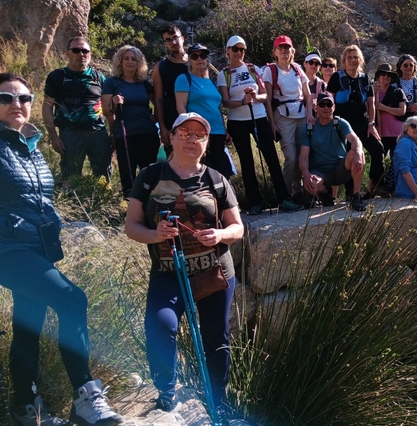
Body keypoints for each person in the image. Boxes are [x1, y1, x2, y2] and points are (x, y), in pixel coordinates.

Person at [0, 73, 123, 426]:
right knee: (73, 299)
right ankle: (85, 397)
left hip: (36, 247)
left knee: (29, 324)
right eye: (6, 98)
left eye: (24, 98)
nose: (16, 104)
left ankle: (24, 406)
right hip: (7, 249)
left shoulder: (29, 145)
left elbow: (39, 199)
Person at [124, 112, 244, 413]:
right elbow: (131, 226)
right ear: (172, 137)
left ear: (206, 142)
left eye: (199, 135)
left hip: (214, 273)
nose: (192, 139)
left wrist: (219, 235)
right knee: (159, 326)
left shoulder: (216, 180)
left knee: (215, 340)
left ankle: (218, 400)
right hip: (169, 273)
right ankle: (167, 394)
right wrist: (155, 235)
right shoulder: (150, 177)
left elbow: (237, 228)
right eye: (185, 133)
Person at [218, 36, 302, 214]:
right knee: (247, 162)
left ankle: (283, 199)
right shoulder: (223, 73)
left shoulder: (253, 69)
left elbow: (265, 96)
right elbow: (225, 102)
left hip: (259, 118)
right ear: (228, 51)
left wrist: (255, 97)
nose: (239, 53)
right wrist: (242, 101)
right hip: (237, 122)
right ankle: (255, 203)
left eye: (242, 49)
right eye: (235, 49)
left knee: (271, 158)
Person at [42, 36, 112, 181]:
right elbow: (47, 106)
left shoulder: (99, 77)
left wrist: (113, 135)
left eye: (85, 51)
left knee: (103, 176)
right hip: (69, 134)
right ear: (67, 53)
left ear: (90, 54)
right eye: (76, 50)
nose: (81, 54)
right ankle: (71, 202)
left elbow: (108, 108)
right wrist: (53, 137)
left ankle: (101, 202)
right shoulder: (58, 76)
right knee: (70, 177)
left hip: (97, 132)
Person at [326, 45, 385, 196]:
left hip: (362, 122)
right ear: (344, 61)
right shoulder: (336, 78)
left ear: (360, 61)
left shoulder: (365, 79)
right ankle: (351, 193)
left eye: (356, 57)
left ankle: (376, 185)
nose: (353, 60)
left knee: (377, 149)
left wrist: (371, 123)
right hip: (342, 124)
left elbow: (370, 103)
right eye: (350, 57)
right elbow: (329, 100)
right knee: (349, 155)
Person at [102, 45, 159, 197]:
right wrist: (114, 102)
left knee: (149, 172)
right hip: (125, 135)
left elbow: (158, 102)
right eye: (126, 58)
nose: (130, 62)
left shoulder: (144, 84)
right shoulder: (111, 83)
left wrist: (157, 116)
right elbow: (107, 111)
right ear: (120, 61)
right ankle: (129, 206)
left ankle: (150, 204)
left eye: (134, 59)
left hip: (148, 133)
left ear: (139, 63)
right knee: (128, 174)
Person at [264, 35, 315, 199]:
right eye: (281, 48)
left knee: (302, 156)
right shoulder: (270, 70)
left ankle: (298, 192)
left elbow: (308, 96)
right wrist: (271, 124)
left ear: (291, 50)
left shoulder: (298, 70)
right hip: (283, 117)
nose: (284, 51)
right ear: (275, 51)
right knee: (291, 158)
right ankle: (285, 195)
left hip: (301, 115)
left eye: (287, 48)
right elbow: (268, 100)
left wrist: (309, 115)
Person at [298, 93, 367, 211]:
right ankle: (325, 192)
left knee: (357, 153)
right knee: (311, 186)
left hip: (340, 168)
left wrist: (359, 153)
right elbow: (303, 155)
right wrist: (306, 173)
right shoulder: (308, 129)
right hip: (319, 172)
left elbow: (355, 140)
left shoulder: (340, 123)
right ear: (316, 108)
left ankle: (356, 195)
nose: (326, 108)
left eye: (329, 104)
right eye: (322, 105)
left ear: (334, 107)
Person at [175, 43, 233, 179]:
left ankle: (224, 199)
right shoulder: (184, 79)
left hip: (218, 132)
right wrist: (188, 132)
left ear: (207, 59)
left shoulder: (212, 83)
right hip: (199, 134)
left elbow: (217, 108)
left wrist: (225, 131)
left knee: (221, 173)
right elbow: (180, 107)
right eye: (194, 56)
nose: (199, 59)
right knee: (203, 172)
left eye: (203, 55)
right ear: (189, 61)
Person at [152, 25, 188, 152]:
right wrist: (162, 127)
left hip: (198, 118)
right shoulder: (160, 67)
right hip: (172, 121)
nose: (173, 42)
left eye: (175, 38)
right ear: (165, 44)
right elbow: (158, 99)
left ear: (182, 38)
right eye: (168, 40)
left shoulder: (196, 62)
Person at [373, 63, 407, 158]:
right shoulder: (372, 92)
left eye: (388, 75)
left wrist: (383, 107)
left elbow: (402, 111)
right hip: (379, 132)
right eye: (383, 74)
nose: (385, 77)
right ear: (378, 76)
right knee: (379, 161)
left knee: (398, 160)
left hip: (397, 133)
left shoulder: (398, 92)